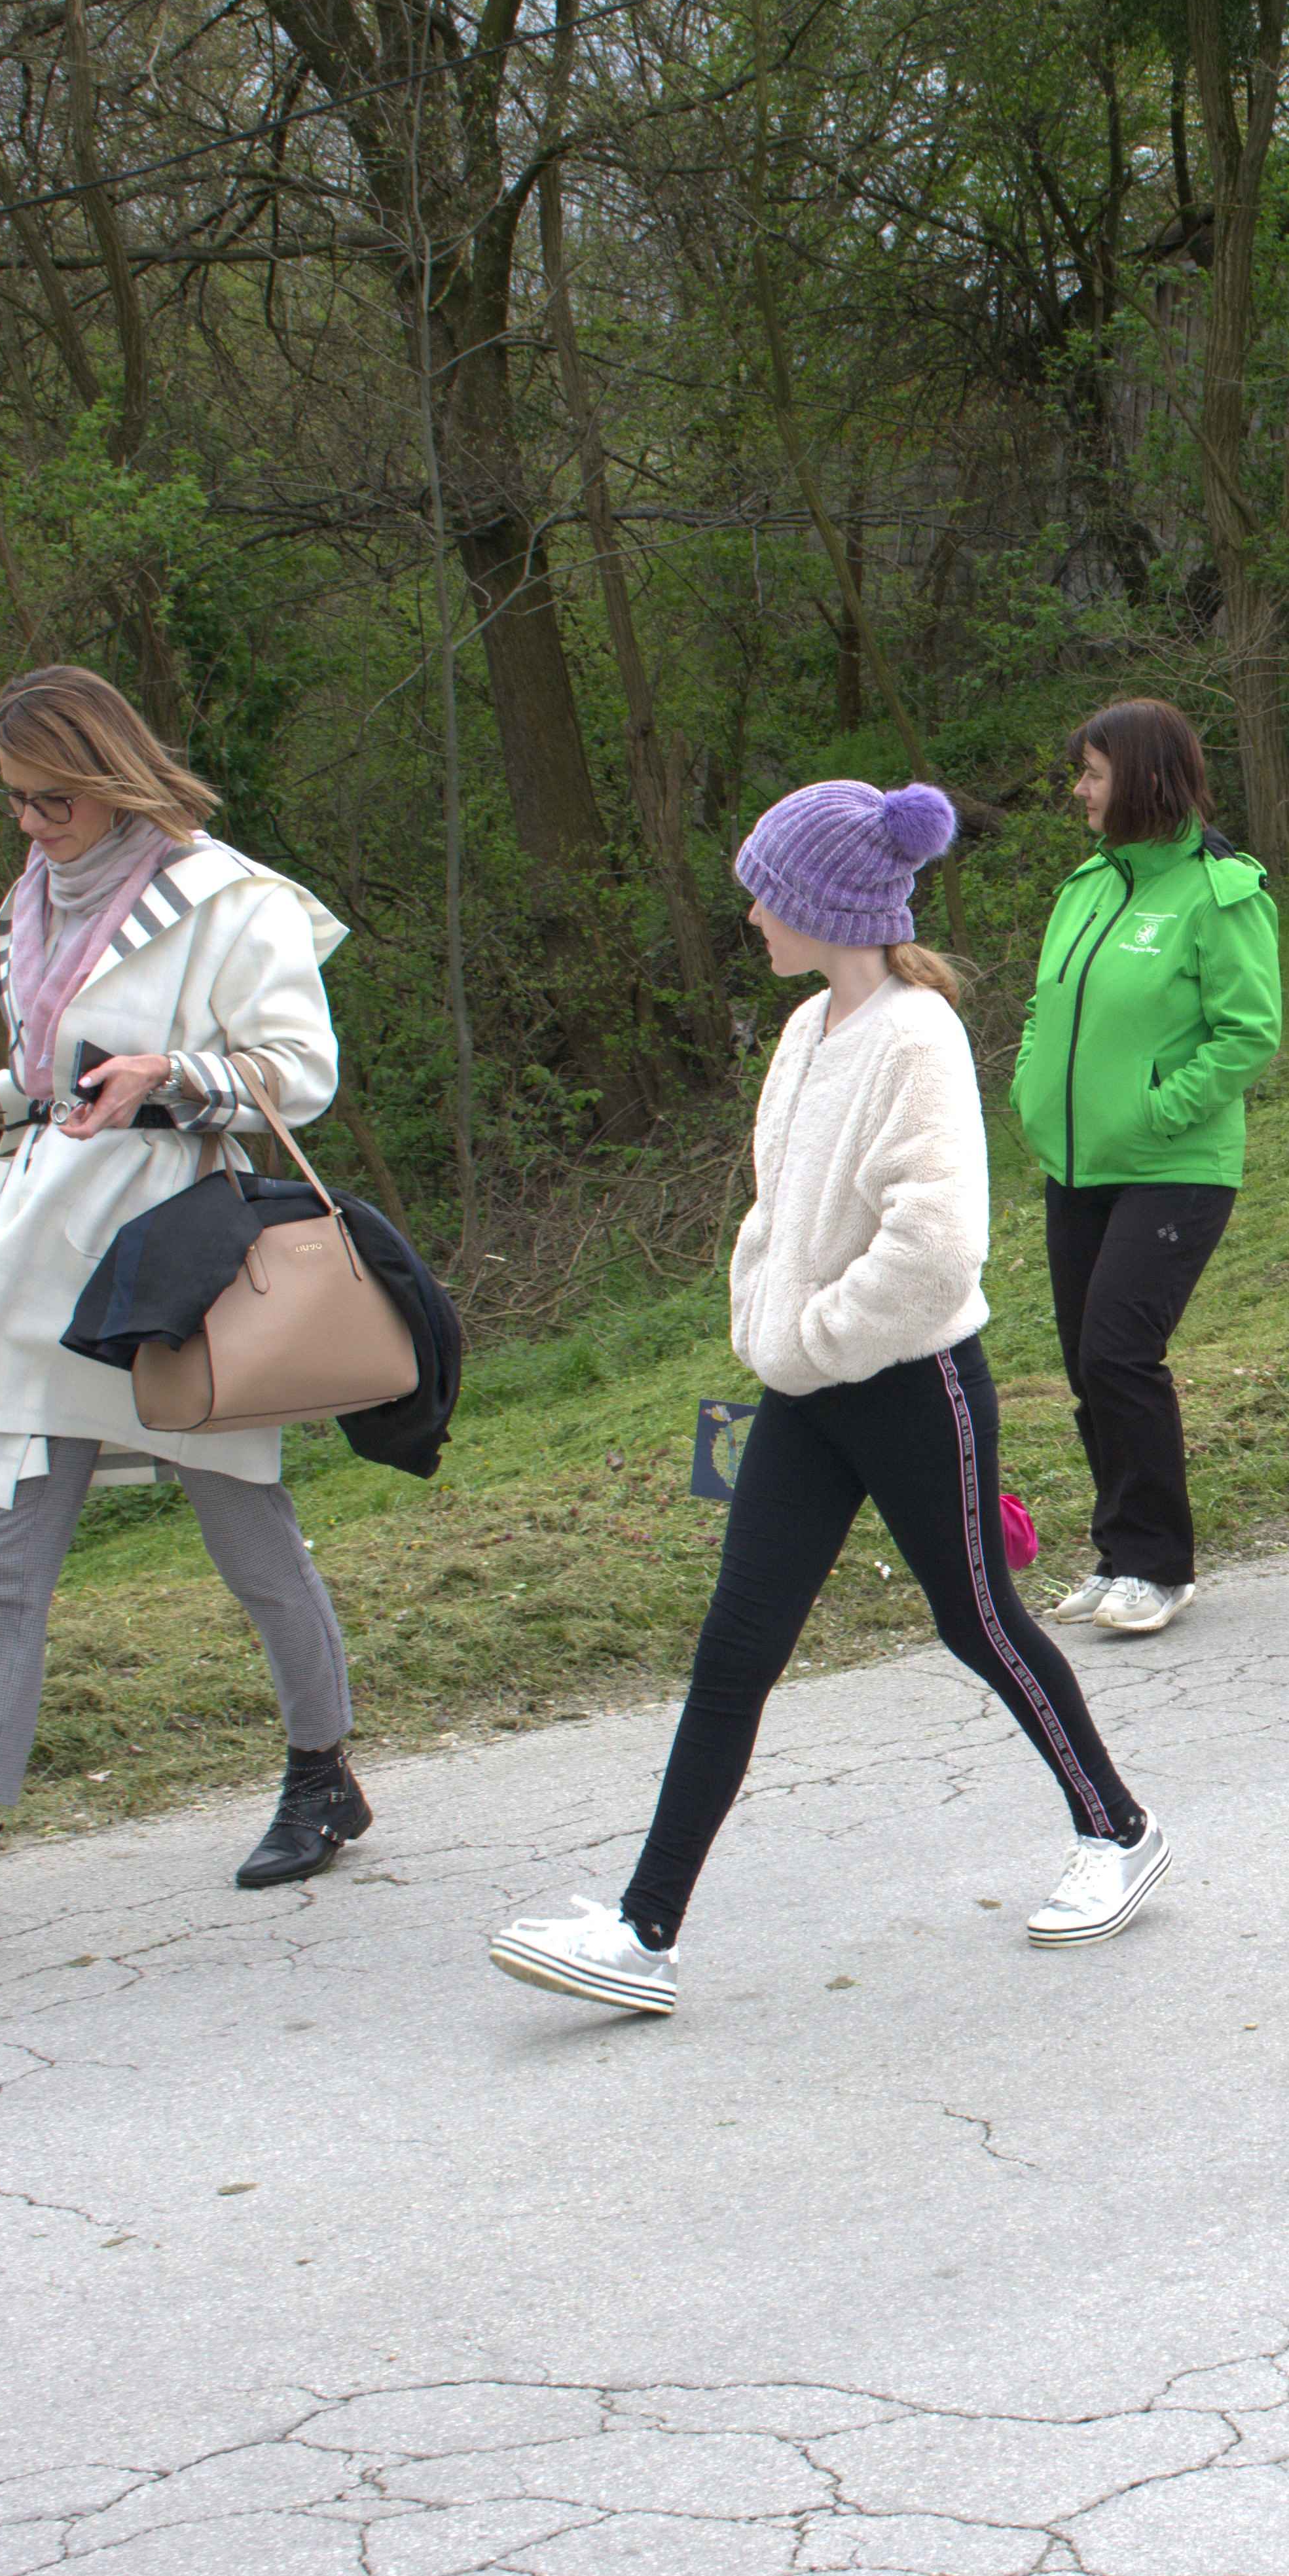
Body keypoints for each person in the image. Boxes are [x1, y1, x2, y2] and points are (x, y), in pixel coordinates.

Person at [490, 783, 1165, 2016]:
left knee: (978, 1621)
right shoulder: (809, 1032)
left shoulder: (917, 1035)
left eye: (766, 891)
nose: (749, 912)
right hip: (803, 1394)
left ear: (822, 905)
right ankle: (645, 1932)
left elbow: (937, 1245)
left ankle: (1116, 1832)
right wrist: (772, 1334)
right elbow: (775, 1211)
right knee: (736, 1645)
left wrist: (813, 1335)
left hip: (913, 1387)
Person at [0, 666, 369, 1946]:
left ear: (111, 778)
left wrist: (176, 1075)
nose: (30, 823)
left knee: (250, 1540)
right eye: (13, 801)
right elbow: (60, 1084)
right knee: (2, 1564)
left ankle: (322, 1773)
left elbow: (303, 1072)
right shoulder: (30, 903)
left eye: (51, 799)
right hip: (39, 1262)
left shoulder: (233, 901)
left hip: (172, 1271)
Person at [1013, 701, 1283, 1638]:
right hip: (1078, 1164)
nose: (1080, 791)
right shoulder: (1086, 886)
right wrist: (1032, 1093)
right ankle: (1120, 1552)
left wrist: (1156, 1111)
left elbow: (1250, 1033)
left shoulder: (1220, 892)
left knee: (1120, 1353)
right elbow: (1046, 1008)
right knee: (1087, 1366)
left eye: (1092, 773)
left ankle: (1162, 1568)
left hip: (1177, 1162)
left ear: (1141, 776)